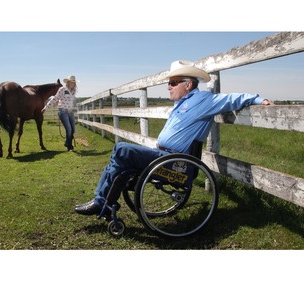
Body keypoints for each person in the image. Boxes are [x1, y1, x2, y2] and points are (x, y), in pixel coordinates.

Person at [75, 60, 273, 215]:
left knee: (122, 149)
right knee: (120, 157)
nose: (168, 87)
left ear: (187, 85)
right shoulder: (181, 103)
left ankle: (102, 202)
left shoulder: (203, 100)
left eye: (173, 83)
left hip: (176, 164)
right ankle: (102, 201)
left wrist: (257, 99)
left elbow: (231, 99)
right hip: (163, 156)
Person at [42, 75, 78, 152]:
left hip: (70, 112)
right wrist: (46, 108)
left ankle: (67, 142)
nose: (73, 84)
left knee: (73, 130)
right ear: (68, 82)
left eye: (74, 83)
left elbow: (71, 102)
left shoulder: (73, 91)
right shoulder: (62, 89)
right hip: (62, 111)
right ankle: (70, 146)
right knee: (69, 129)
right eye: (71, 82)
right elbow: (55, 99)